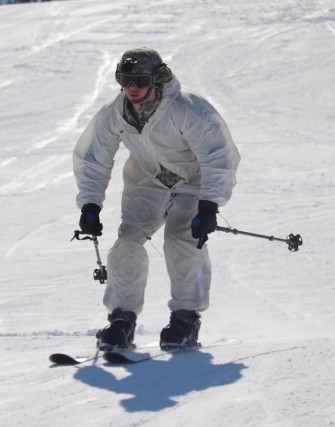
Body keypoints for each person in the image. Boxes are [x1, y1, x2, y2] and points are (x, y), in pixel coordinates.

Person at [73, 47, 240, 350]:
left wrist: (210, 205)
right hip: (147, 182)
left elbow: (218, 156)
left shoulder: (188, 108)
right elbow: (93, 158)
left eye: (138, 79)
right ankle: (122, 320)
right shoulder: (116, 113)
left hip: (193, 181)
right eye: (125, 80)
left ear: (156, 79)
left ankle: (185, 319)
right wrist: (90, 205)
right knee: (126, 243)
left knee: (181, 237)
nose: (131, 88)